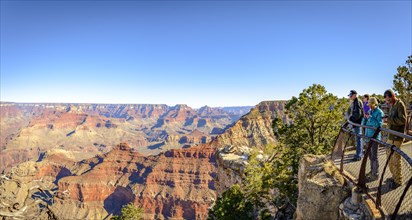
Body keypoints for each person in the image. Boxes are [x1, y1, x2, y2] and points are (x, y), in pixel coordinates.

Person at [384, 89, 407, 188]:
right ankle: (394, 176)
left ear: (392, 96)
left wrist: (389, 120)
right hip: (391, 135)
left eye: (388, 100)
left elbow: (402, 120)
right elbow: (393, 119)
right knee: (389, 156)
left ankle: (398, 181)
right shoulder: (392, 105)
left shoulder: (400, 104)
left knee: (396, 159)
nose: (387, 102)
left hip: (397, 136)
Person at [362, 97, 384, 181]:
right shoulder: (370, 111)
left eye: (371, 105)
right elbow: (364, 123)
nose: (370, 107)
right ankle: (372, 171)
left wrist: (370, 118)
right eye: (369, 105)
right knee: (370, 156)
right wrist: (364, 118)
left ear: (375, 104)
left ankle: (375, 174)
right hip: (368, 137)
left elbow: (378, 125)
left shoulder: (379, 112)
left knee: (374, 156)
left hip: (374, 138)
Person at [348, 90, 364, 161]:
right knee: (358, 139)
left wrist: (352, 119)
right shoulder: (355, 102)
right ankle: (358, 154)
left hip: (357, 123)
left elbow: (358, 114)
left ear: (354, 95)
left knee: (358, 139)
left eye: (351, 95)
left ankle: (358, 156)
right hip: (357, 123)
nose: (350, 97)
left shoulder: (357, 102)